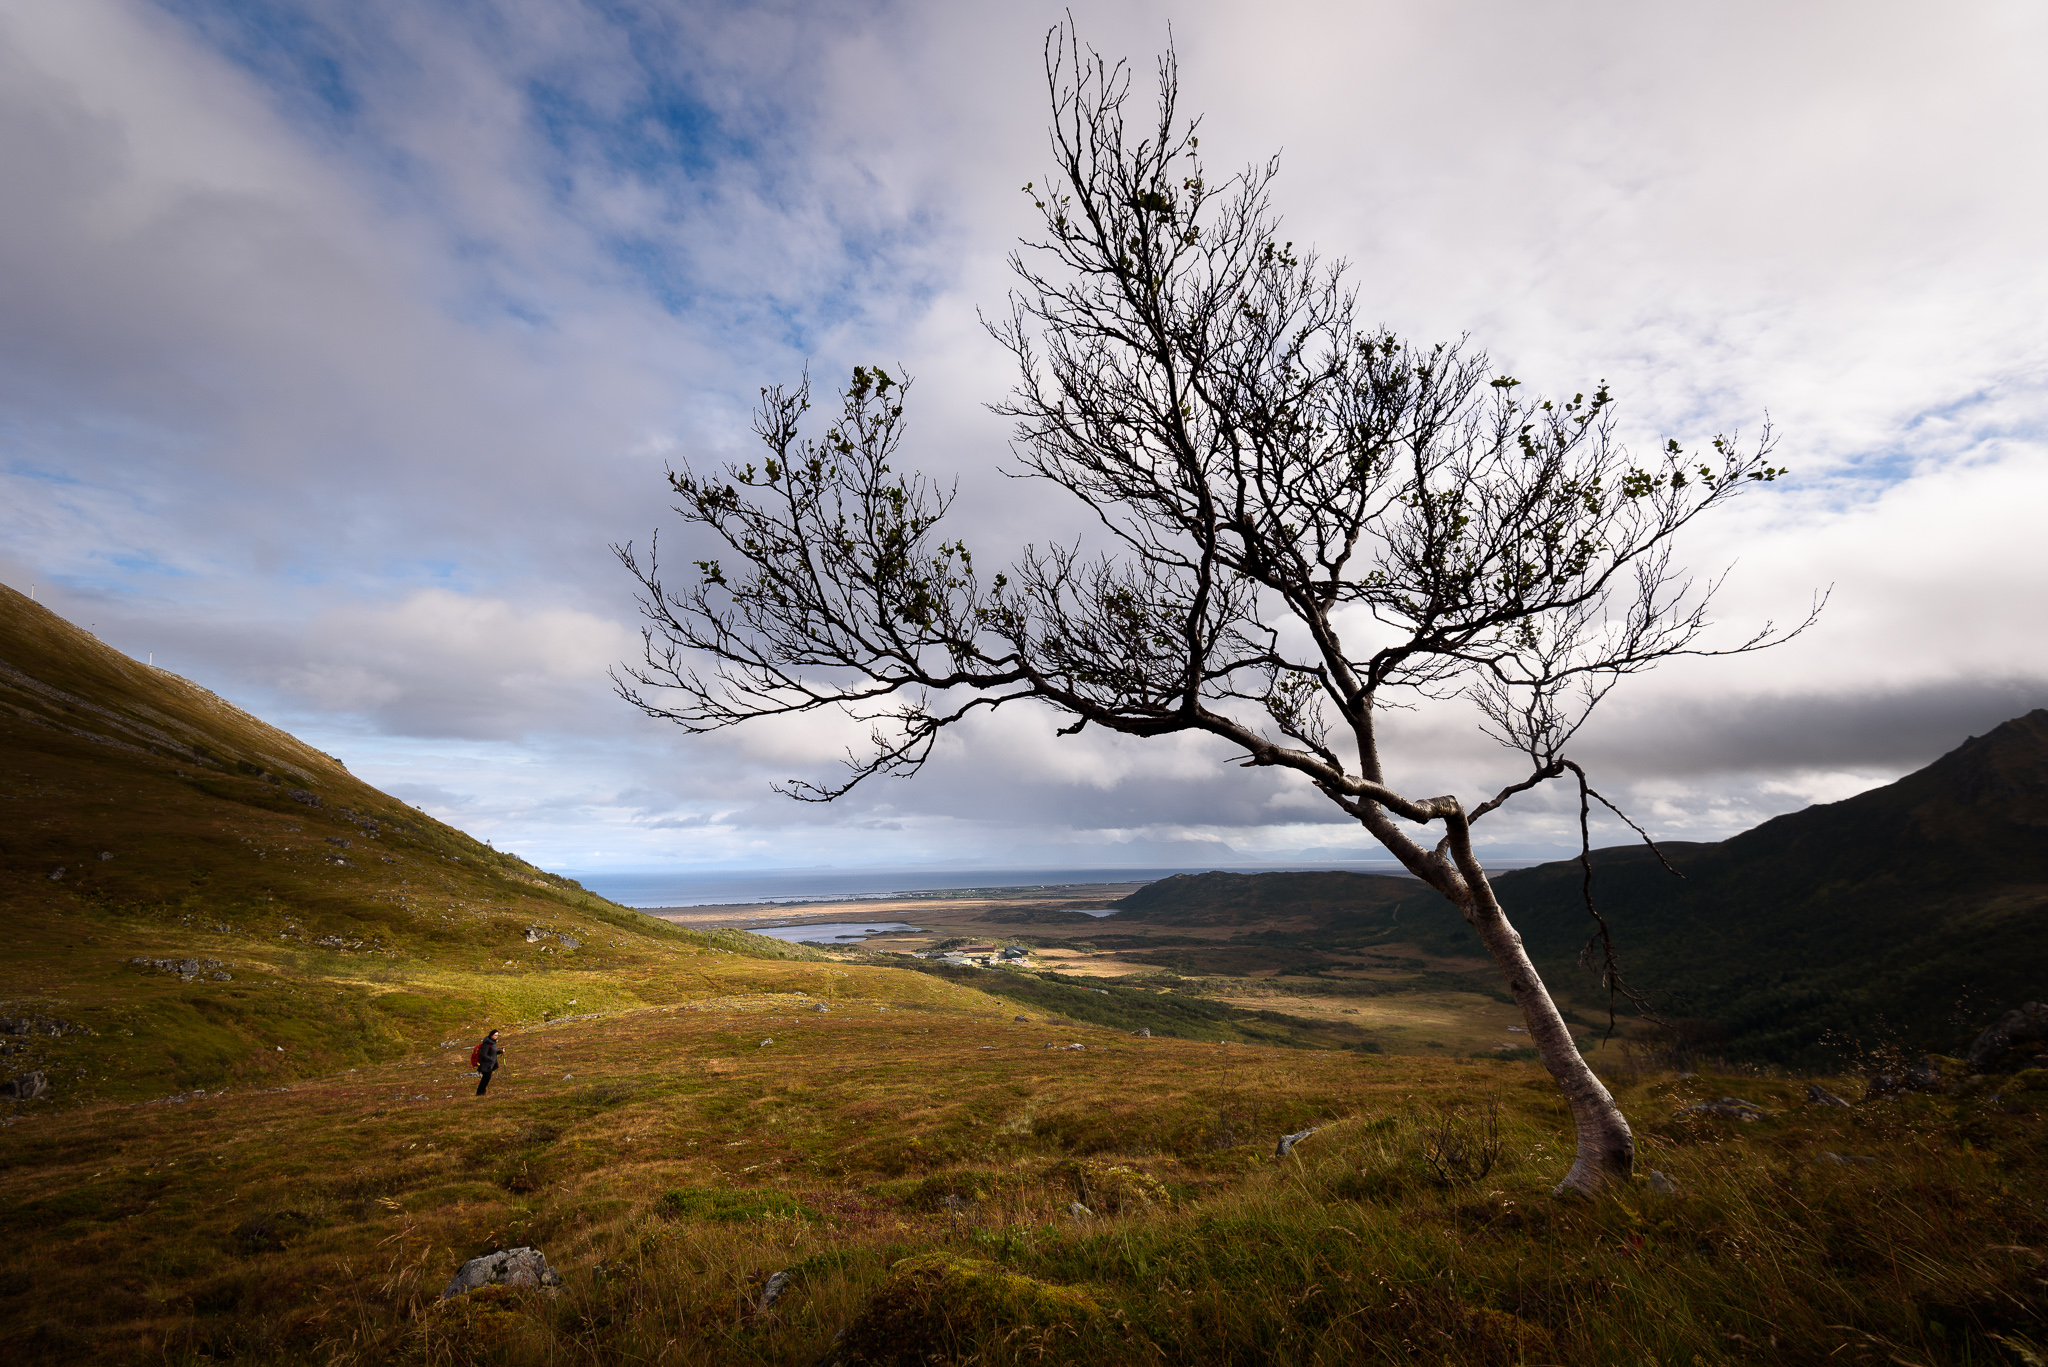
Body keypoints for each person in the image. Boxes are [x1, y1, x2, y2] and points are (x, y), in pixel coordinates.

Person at [474, 1029, 505, 1096]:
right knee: (485, 1079)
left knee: (486, 1079)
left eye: (497, 1035)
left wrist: (500, 1052)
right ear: (491, 1035)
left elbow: (492, 1053)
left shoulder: (492, 1043)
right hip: (486, 1065)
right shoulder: (486, 1044)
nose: (496, 1036)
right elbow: (483, 1055)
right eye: (495, 1035)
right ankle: (479, 1093)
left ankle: (481, 1092)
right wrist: (490, 1059)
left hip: (490, 1065)